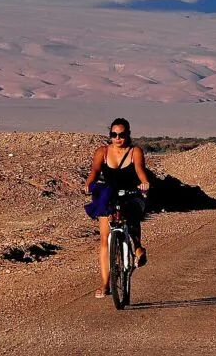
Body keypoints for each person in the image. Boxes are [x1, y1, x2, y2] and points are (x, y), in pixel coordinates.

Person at [83, 117, 150, 298]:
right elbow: (95, 171)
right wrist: (89, 183)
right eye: (114, 134)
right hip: (109, 194)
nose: (117, 138)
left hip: (130, 192)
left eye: (121, 134)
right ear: (110, 135)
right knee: (104, 239)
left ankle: (137, 247)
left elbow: (140, 171)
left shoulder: (135, 152)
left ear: (128, 135)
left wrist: (144, 182)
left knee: (133, 214)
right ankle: (105, 284)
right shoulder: (102, 152)